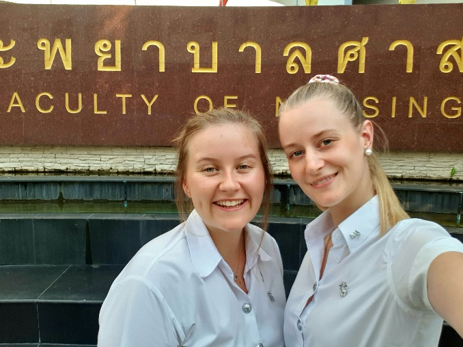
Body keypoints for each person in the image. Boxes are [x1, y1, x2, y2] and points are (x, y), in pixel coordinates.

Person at [278, 74, 463, 347]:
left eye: (326, 141)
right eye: (296, 153)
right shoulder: (320, 242)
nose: (312, 165)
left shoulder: (411, 247)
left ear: (365, 136)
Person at [98, 108, 285, 347]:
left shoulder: (267, 250)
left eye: (244, 166)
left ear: (264, 175)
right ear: (186, 183)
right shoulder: (149, 284)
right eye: (210, 169)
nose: (229, 184)